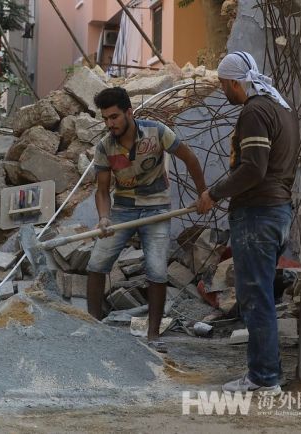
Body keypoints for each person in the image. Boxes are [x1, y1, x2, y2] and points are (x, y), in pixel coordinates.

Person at [196, 51, 299, 395]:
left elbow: (253, 168)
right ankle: (265, 372)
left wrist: (214, 192)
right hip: (277, 212)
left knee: (255, 298)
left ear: (234, 82)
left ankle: (264, 377)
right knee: (262, 296)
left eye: (225, 85)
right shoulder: (281, 109)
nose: (224, 91)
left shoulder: (254, 111)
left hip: (257, 215)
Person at [86, 87, 207, 353]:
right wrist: (104, 218)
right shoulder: (105, 147)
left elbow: (190, 158)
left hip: (157, 210)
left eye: (115, 117)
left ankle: (153, 335)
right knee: (96, 263)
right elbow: (102, 190)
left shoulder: (157, 132)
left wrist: (203, 195)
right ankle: (92, 327)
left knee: (156, 270)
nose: (110, 124)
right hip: (123, 210)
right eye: (105, 119)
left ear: (129, 112)